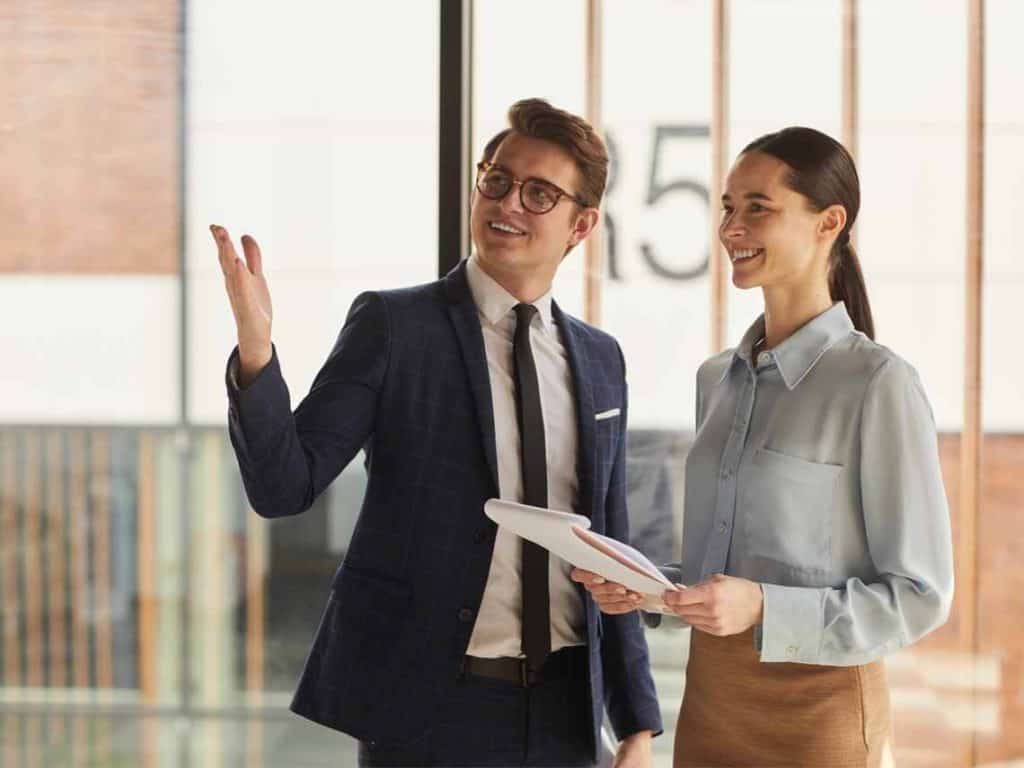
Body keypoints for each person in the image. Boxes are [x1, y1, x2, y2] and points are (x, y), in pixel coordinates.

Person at [211, 98, 662, 767]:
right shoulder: (395, 328)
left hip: (568, 712)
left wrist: (637, 723)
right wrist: (256, 354)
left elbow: (610, 547)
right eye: (497, 180)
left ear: (581, 224)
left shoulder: (601, 359)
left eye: (540, 193)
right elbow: (285, 485)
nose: (508, 204)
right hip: (430, 711)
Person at [573, 126, 954, 767]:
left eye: (758, 208)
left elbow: (920, 596)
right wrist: (648, 588)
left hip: (820, 712)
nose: (731, 228)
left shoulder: (877, 384)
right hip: (710, 704)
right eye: (727, 206)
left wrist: (764, 608)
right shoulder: (715, 379)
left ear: (828, 222)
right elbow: (724, 572)